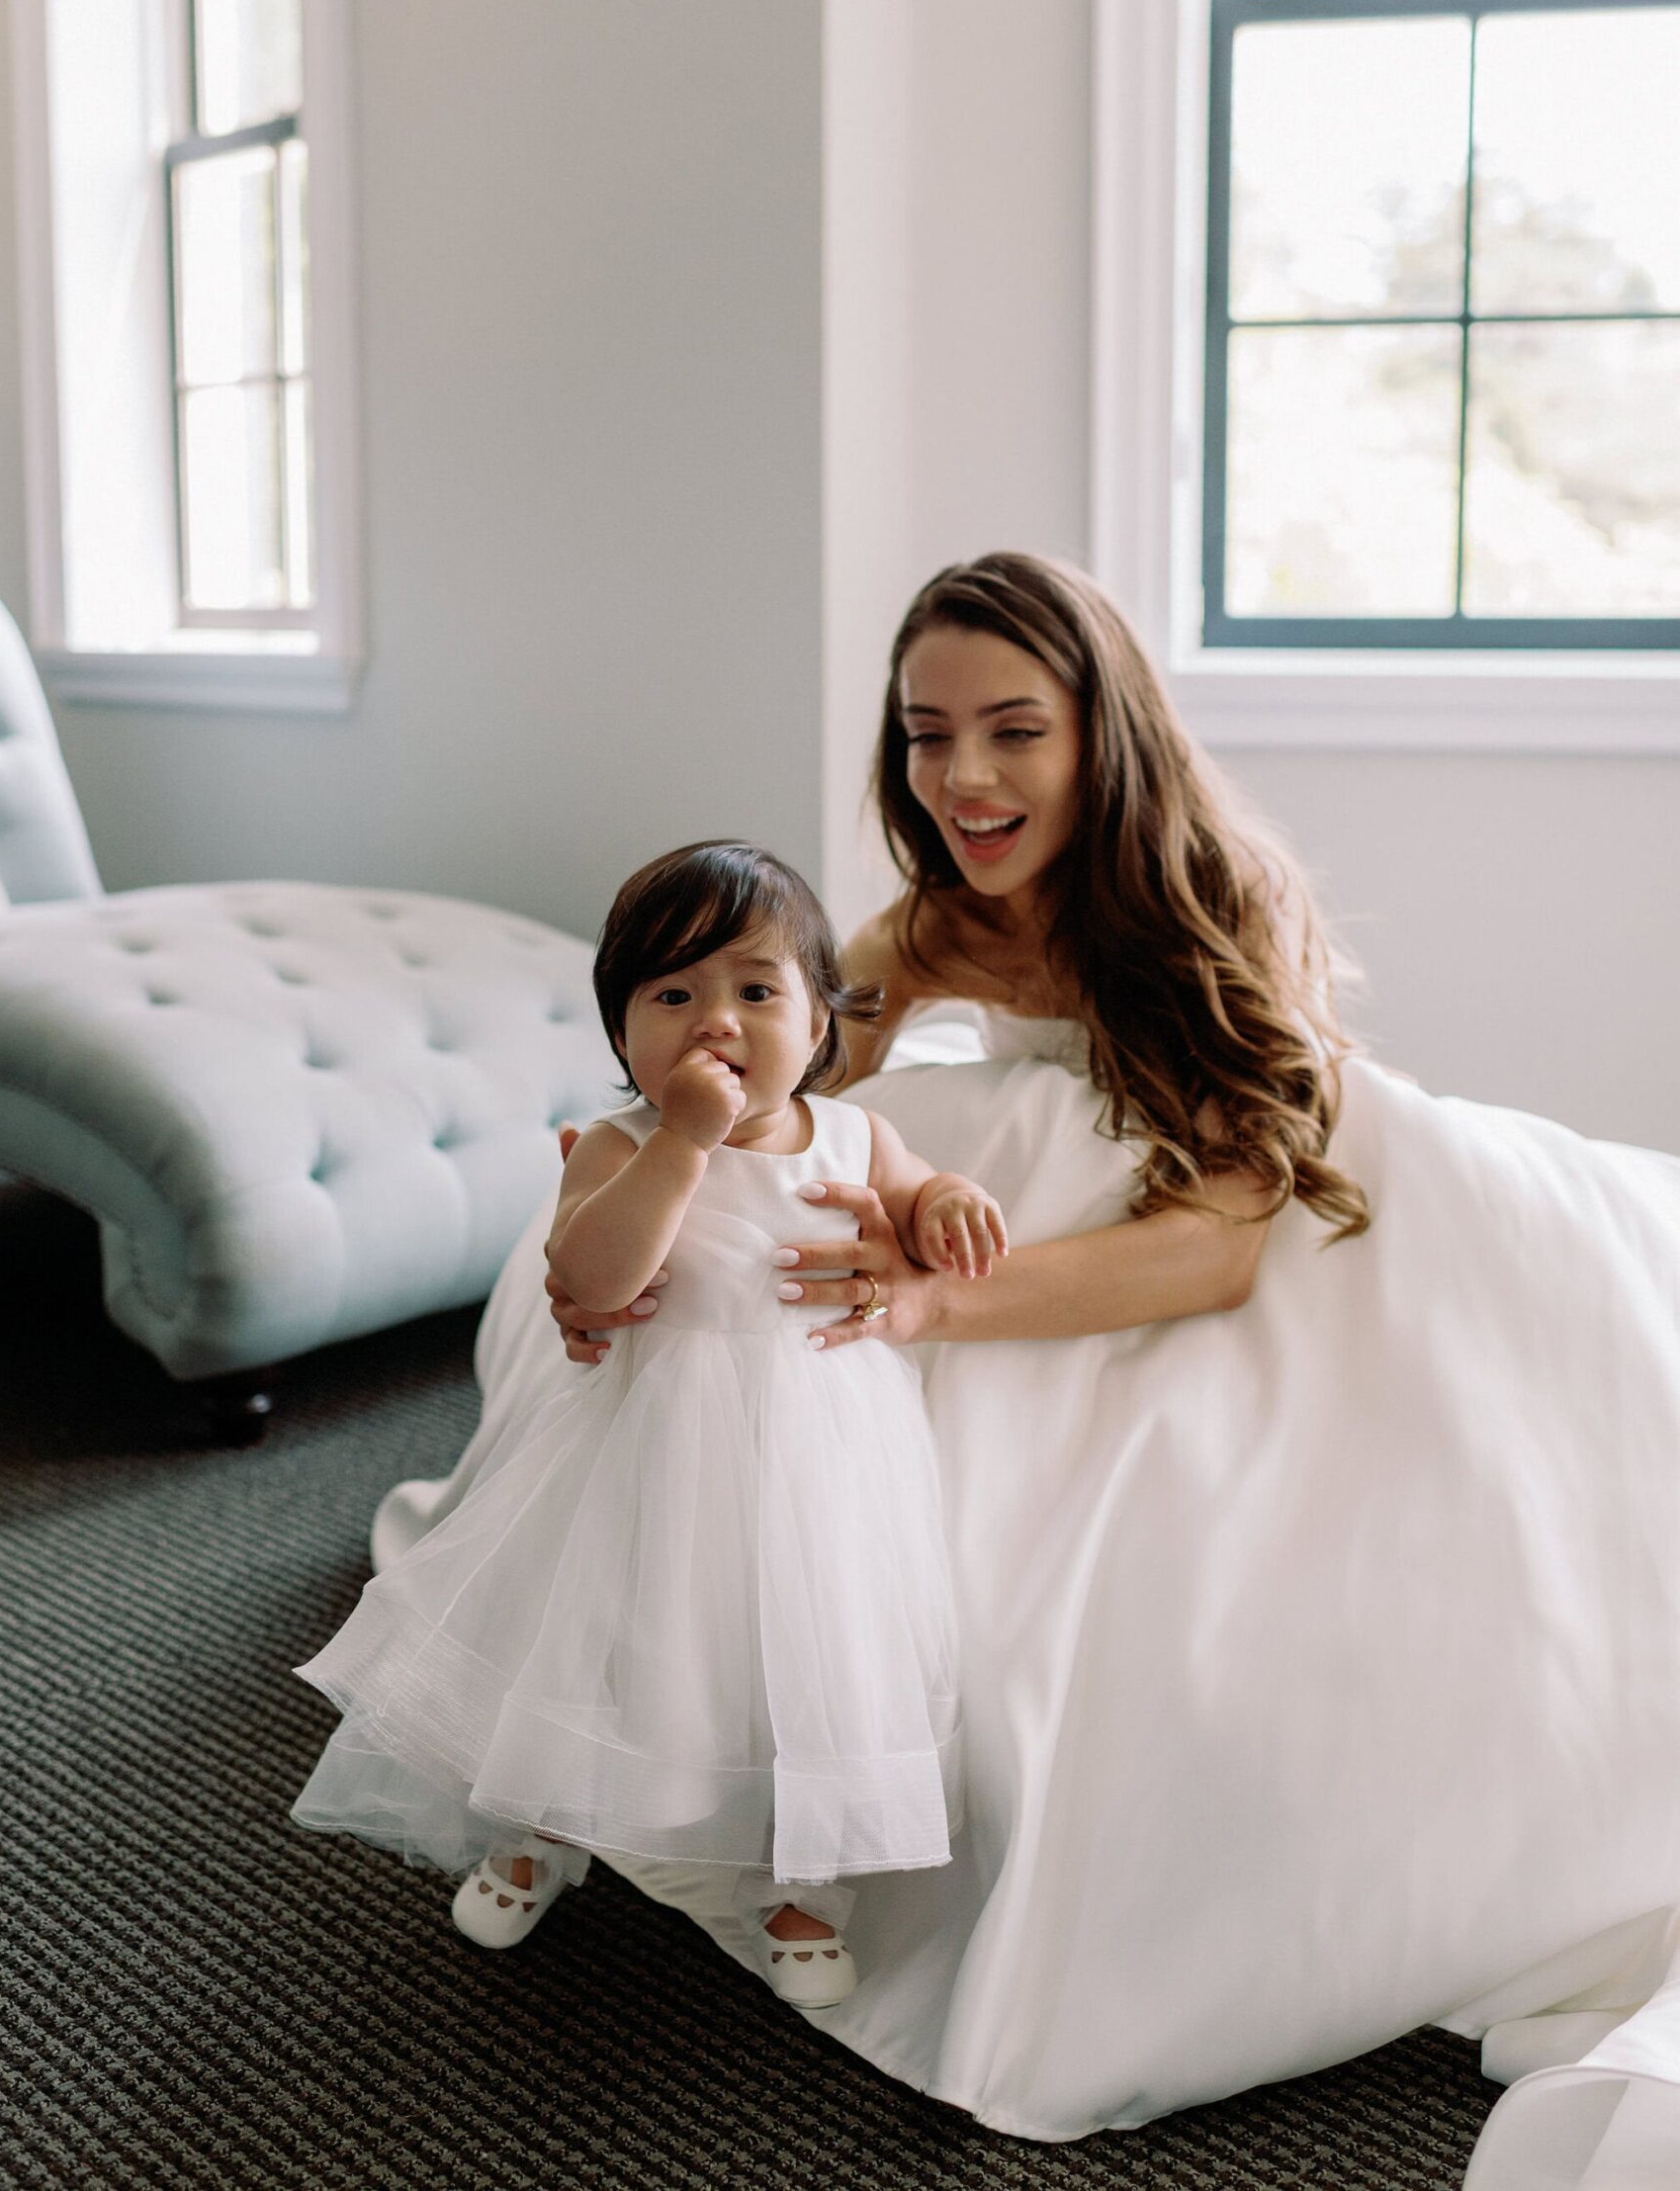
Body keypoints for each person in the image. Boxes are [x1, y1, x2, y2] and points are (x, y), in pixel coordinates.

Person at [376, 557, 1680, 2191]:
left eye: (1013, 731)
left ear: (1102, 737)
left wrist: (927, 1305)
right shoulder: (921, 926)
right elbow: (795, 1066)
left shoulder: (1214, 905)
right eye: (926, 735)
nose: (963, 779)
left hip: (1246, 1214)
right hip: (1010, 1212)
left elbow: (1211, 1249)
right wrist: (664, 1182)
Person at [293, 841, 1006, 2003]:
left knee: (800, 1673)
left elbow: (917, 1196)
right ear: (621, 1032)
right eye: (672, 994)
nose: (714, 1022)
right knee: (594, 1643)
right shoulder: (620, 1146)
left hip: (822, 1468)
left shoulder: (851, 1134)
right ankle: (535, 1833)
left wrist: (947, 1199)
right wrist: (680, 1141)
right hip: (645, 1457)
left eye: (755, 991)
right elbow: (596, 1274)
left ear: (821, 1018)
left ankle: (799, 1887)